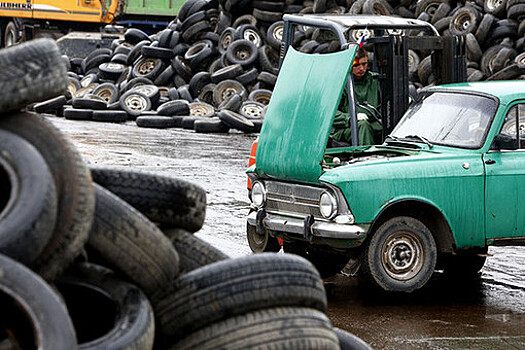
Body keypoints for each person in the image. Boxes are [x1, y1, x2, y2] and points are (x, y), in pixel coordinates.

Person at [330, 48, 381, 146]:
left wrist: (405, 99)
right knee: (363, 126)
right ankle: (367, 158)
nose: (361, 68)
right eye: (356, 65)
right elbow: (330, 113)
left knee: (392, 126)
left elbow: (392, 91)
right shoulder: (340, 84)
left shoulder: (374, 80)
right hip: (346, 128)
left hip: (372, 122)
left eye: (364, 64)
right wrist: (350, 118)